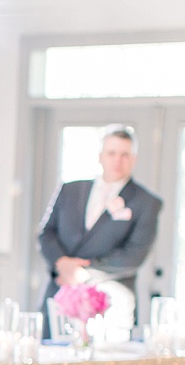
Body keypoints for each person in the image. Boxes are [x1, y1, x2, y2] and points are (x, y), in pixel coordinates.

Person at [36, 129, 164, 338]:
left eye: (125, 155)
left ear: (134, 159)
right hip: (60, 292)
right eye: (111, 153)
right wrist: (62, 264)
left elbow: (135, 254)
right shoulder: (69, 190)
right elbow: (46, 233)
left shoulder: (146, 202)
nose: (117, 160)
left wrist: (84, 272)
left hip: (110, 301)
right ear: (100, 156)